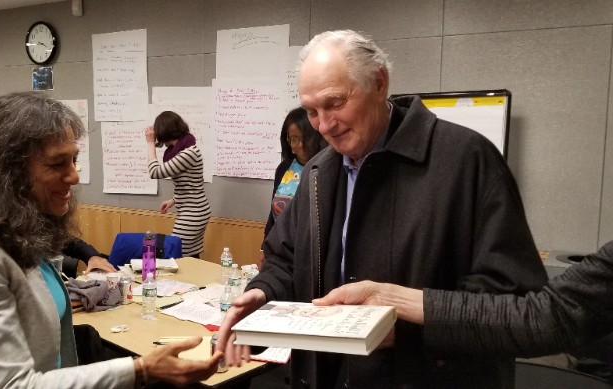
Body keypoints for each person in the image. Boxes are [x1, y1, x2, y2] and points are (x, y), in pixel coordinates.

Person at [217, 30, 548, 389]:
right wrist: (263, 292)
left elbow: (512, 302)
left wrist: (402, 329)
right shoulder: (318, 172)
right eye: (312, 112)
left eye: (335, 103)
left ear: (379, 83)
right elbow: (286, 260)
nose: (324, 126)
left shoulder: (466, 160)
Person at [0, 92, 221, 388]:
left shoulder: (10, 231)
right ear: (5, 173)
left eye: (74, 160)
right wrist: (141, 368)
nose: (73, 176)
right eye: (58, 163)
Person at [314, 240, 613, 358]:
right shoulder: (319, 170)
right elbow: (553, 314)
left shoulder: (472, 154)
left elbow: (546, 319)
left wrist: (391, 297)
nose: (325, 125)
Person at [260, 107, 326, 267]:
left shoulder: (325, 168)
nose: (301, 145)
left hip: (312, 254)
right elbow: (273, 215)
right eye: (294, 139)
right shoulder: (284, 168)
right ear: (287, 140)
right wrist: (264, 248)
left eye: (306, 138)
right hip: (281, 250)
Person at [144, 111, 210, 258]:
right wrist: (174, 200)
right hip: (194, 209)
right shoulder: (181, 150)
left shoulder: (188, 153)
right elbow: (190, 183)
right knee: (190, 255)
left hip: (193, 213)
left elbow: (155, 172)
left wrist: (150, 144)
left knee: (176, 254)